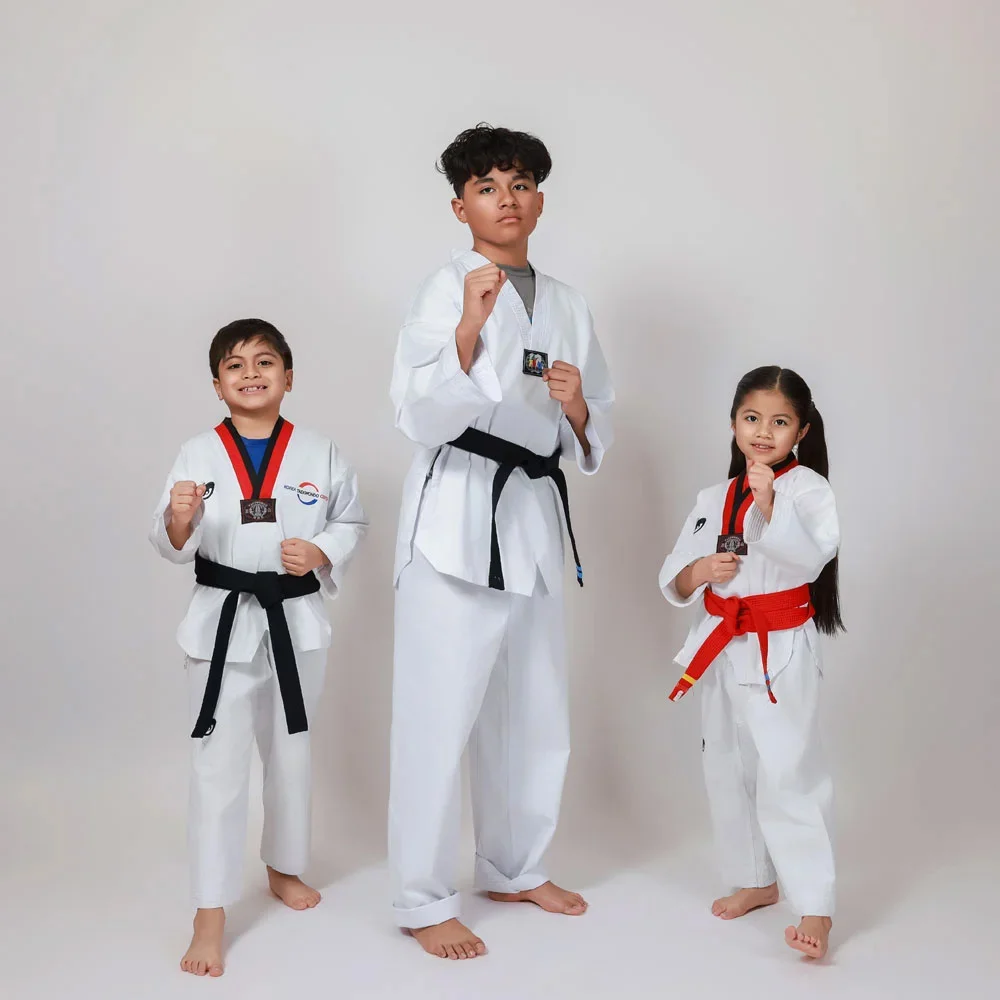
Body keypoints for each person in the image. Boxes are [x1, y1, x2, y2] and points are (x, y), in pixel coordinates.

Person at [388, 125, 614, 959]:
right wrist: (466, 335)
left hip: (531, 519)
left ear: (541, 200)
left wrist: (580, 408)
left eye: (520, 183)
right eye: (488, 185)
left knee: (534, 709)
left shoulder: (570, 303)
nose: (506, 198)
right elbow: (415, 414)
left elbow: (597, 427)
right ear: (460, 205)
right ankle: (420, 898)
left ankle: (516, 866)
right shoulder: (445, 288)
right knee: (437, 718)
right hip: (455, 520)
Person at [150, 319, 367, 977]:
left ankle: (282, 866)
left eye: (265, 362)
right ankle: (209, 912)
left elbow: (350, 518)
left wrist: (322, 550)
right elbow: (167, 538)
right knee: (217, 768)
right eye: (235, 366)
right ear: (218, 385)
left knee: (291, 756)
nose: (251, 374)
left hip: (294, 620)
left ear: (289, 377)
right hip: (220, 623)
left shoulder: (321, 451)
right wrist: (179, 519)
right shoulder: (195, 453)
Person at [658, 365, 843, 960]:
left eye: (780, 422)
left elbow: (811, 558)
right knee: (727, 766)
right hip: (721, 644)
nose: (764, 431)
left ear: (802, 431)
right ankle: (757, 878)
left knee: (788, 768)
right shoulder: (713, 498)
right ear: (734, 423)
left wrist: (768, 506)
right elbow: (676, 573)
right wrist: (699, 572)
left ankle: (815, 902)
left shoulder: (807, 491)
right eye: (752, 418)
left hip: (778, 647)